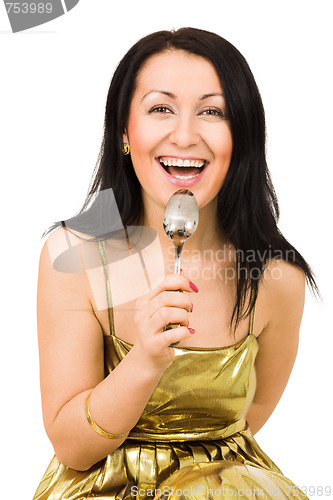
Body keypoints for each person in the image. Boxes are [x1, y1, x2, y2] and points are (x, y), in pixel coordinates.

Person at [33, 27, 319, 499]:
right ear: (125, 132)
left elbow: (252, 416)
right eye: (160, 108)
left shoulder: (276, 277)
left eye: (212, 111)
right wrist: (143, 361)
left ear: (241, 137)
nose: (185, 135)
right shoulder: (75, 254)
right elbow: (71, 447)